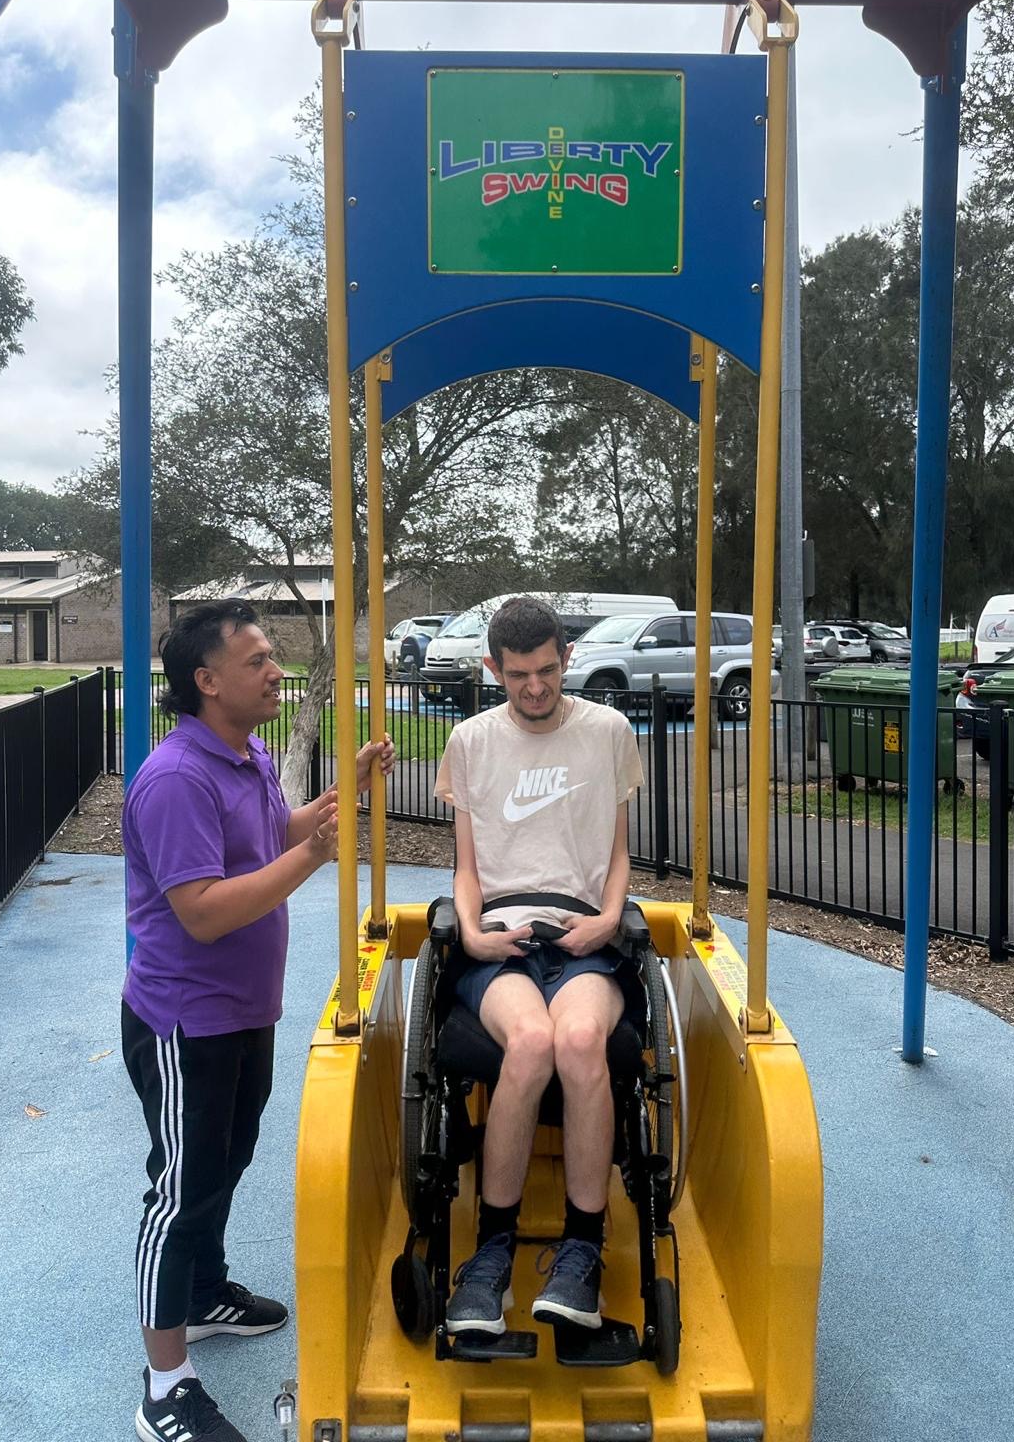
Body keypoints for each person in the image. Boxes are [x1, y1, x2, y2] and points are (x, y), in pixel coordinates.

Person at [121, 599, 393, 1442]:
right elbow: (201, 909)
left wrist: (333, 801)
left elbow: (264, 836)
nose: (277, 671)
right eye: (258, 660)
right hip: (183, 1021)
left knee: (225, 1160)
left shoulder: (247, 755)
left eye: (273, 657)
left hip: (243, 1011)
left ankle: (202, 1293)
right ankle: (164, 1383)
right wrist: (313, 857)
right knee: (180, 1190)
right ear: (207, 682)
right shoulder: (175, 778)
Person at [433, 596, 644, 1338]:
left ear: (567, 659)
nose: (534, 688)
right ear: (493, 668)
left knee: (580, 1040)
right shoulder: (469, 741)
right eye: (518, 675)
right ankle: (492, 1252)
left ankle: (583, 1252)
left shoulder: (609, 732)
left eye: (548, 671)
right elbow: (465, 867)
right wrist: (470, 931)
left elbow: (618, 853)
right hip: (501, 934)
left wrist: (611, 918)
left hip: (582, 928)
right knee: (530, 1042)